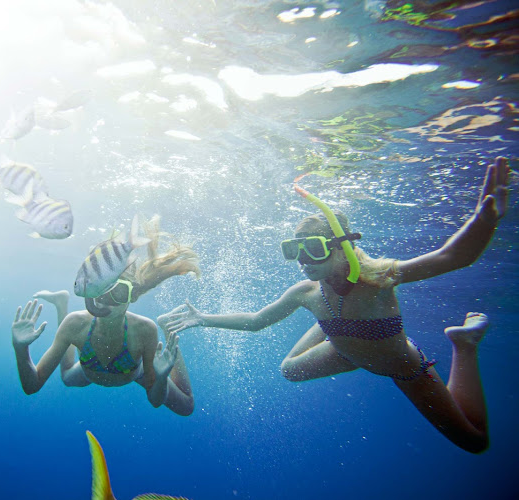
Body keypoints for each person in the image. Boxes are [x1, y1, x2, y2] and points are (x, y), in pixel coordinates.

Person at [158, 157, 510, 452]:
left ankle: (464, 344)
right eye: (295, 251)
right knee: (289, 370)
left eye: (313, 249)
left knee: (475, 442)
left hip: (402, 367)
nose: (304, 260)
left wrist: (484, 221)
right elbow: (256, 320)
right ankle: (332, 327)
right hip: (345, 352)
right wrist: (203, 318)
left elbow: (453, 256)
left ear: (342, 247)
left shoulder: (379, 280)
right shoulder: (306, 292)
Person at [11, 216, 200, 416]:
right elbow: (32, 386)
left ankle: (168, 326)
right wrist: (20, 348)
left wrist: (161, 377)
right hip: (88, 372)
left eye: (117, 292)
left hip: (135, 373)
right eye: (100, 290)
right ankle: (61, 303)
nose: (106, 300)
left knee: (186, 407)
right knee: (66, 377)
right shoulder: (75, 324)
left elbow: (154, 400)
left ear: (131, 296)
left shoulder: (144, 330)